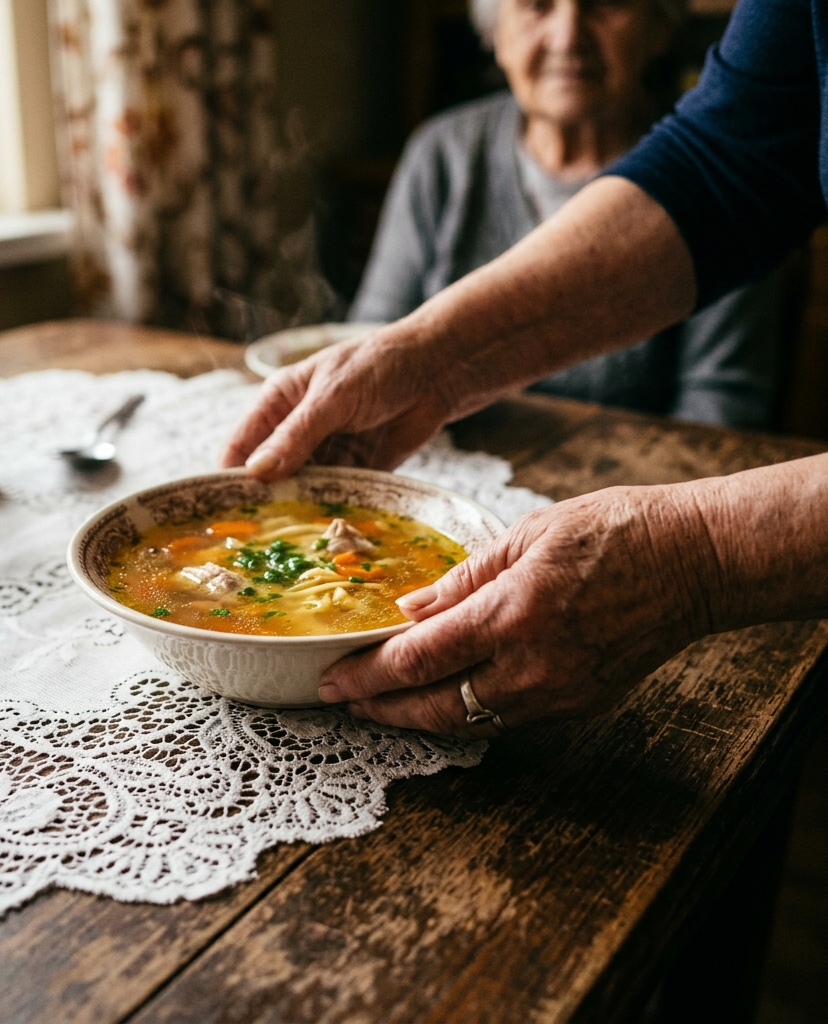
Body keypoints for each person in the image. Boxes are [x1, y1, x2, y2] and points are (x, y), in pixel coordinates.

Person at [220, 0, 828, 738]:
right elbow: (729, 163)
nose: (568, 34)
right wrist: (428, 356)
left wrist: (698, 556)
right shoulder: (444, 149)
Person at [350, 0, 783, 428]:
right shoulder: (442, 154)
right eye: (537, 5)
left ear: (659, 29)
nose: (568, 37)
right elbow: (374, 339)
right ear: (496, 34)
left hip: (637, 485)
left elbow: (720, 406)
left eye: (602, 5)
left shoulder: (719, 175)